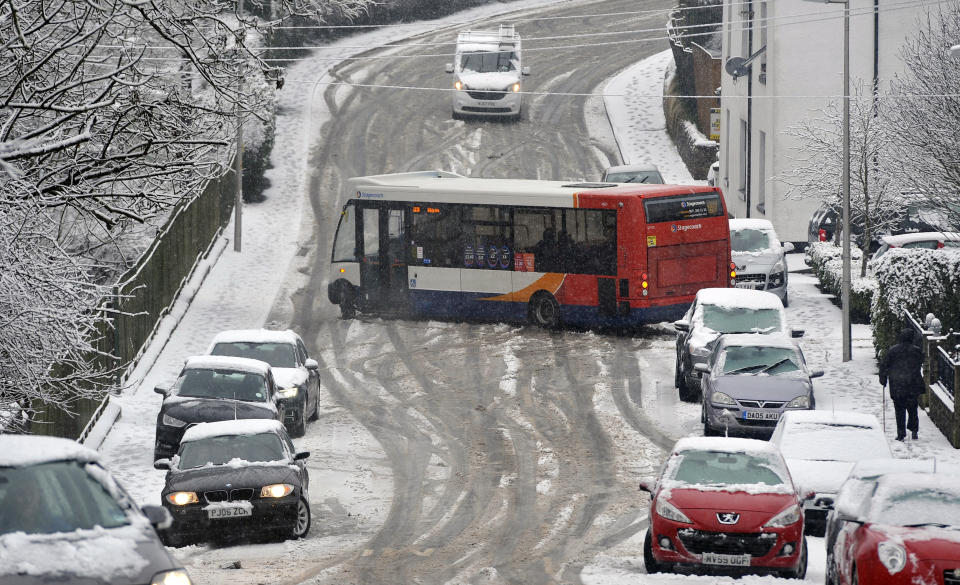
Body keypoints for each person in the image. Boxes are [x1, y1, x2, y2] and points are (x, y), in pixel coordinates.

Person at [879, 327, 925, 441]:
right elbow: (921, 361)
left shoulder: (893, 351)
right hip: (912, 385)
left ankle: (901, 433)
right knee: (913, 408)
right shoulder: (916, 351)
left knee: (899, 410)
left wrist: (883, 379)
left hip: (897, 385)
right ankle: (914, 430)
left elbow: (884, 365)